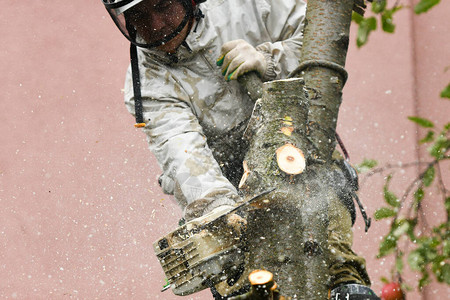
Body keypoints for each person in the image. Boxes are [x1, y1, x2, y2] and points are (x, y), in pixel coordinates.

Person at [102, 0, 380, 298]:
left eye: (163, 6)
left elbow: (320, 46)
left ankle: (346, 283)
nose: (156, 25)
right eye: (139, 17)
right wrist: (222, 214)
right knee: (246, 286)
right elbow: (185, 158)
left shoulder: (246, 4)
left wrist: (269, 59)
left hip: (298, 153)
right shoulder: (147, 85)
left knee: (334, 263)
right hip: (227, 181)